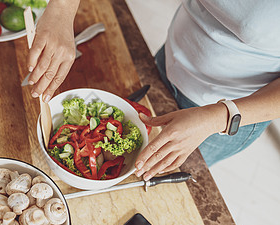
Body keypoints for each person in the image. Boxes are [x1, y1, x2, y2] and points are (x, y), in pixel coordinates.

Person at [26, 0, 280, 180]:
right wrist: (62, 8)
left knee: (154, 180)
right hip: (168, 62)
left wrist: (220, 117)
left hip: (229, 114)